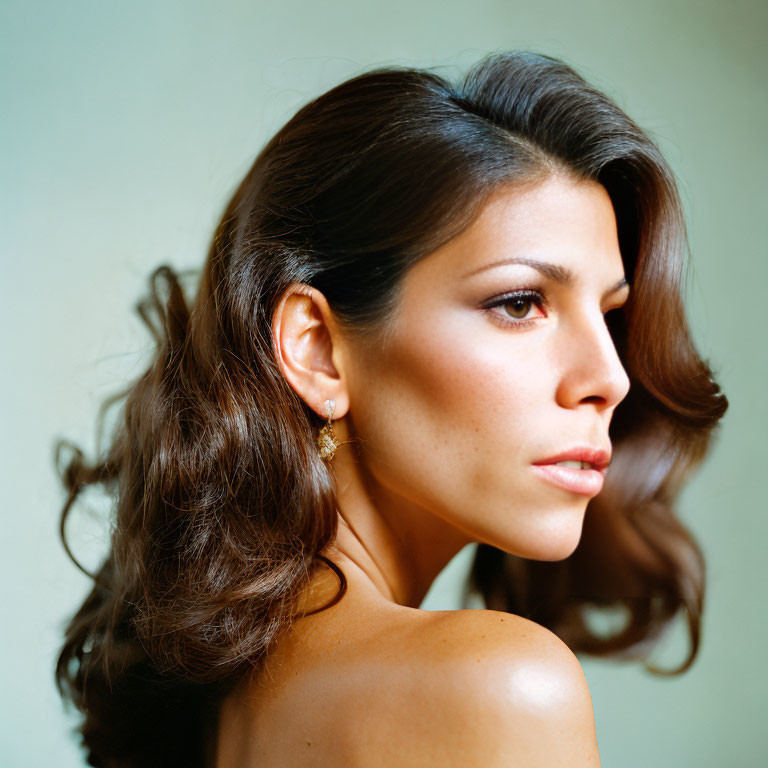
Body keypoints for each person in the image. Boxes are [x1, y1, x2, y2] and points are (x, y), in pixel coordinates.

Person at [54, 50, 727, 767]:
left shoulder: (220, 704)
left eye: (609, 314)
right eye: (521, 303)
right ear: (316, 350)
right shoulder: (500, 687)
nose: (611, 378)